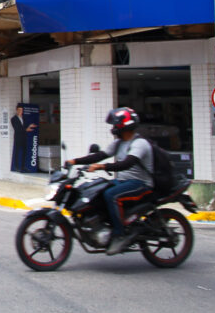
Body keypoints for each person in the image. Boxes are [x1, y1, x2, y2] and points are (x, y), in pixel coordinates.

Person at [64, 107, 154, 255]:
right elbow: (100, 155)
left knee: (111, 195)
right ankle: (106, 226)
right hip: (124, 182)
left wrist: (102, 166)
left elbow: (127, 163)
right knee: (98, 191)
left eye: (115, 125)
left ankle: (120, 235)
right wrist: (75, 161)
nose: (113, 129)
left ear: (124, 125)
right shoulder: (119, 143)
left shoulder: (139, 143)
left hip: (140, 184)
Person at [10, 105, 38, 173]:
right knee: (17, 152)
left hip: (24, 137)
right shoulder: (13, 119)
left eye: (22, 110)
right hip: (18, 137)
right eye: (19, 110)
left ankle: (23, 167)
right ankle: (16, 167)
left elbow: (24, 126)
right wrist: (26, 129)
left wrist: (29, 126)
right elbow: (17, 128)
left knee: (24, 152)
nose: (20, 111)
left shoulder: (23, 118)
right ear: (16, 110)